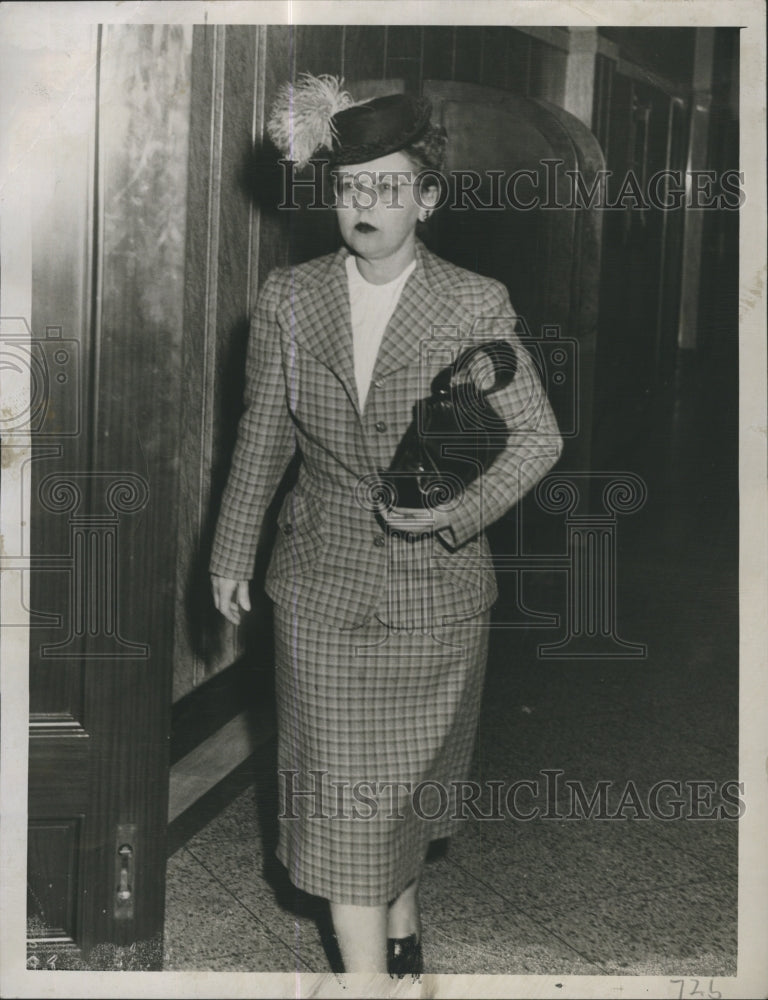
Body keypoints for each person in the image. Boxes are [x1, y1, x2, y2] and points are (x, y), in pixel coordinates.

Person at [210, 75, 563, 975]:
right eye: (349, 187)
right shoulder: (290, 298)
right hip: (321, 586)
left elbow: (538, 438)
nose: (365, 205)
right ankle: (369, 983)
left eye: (388, 186)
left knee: (397, 795)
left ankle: (402, 944)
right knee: (342, 802)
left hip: (434, 600)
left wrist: (455, 514)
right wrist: (230, 549)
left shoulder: (471, 303)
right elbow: (263, 432)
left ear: (427, 199)